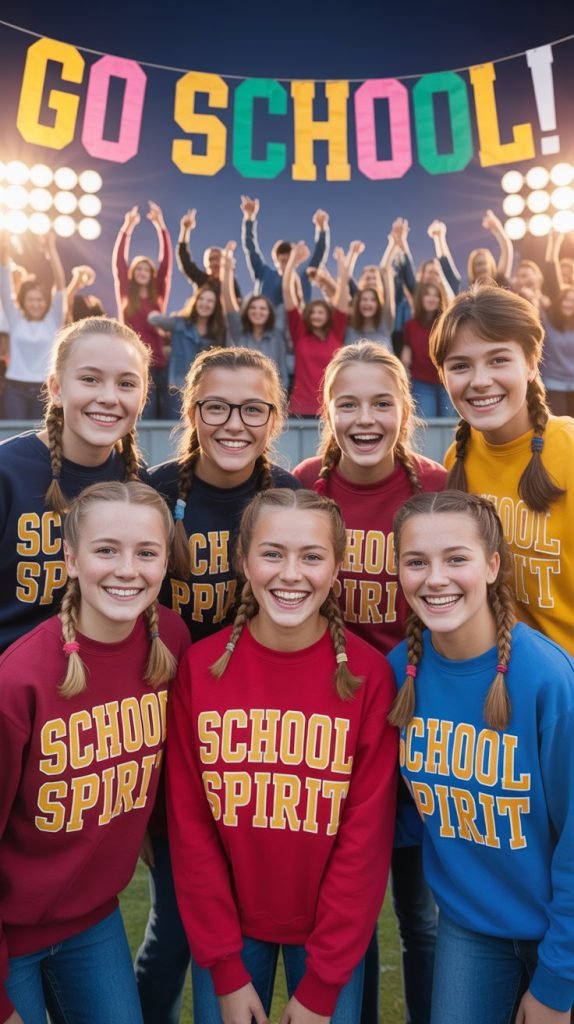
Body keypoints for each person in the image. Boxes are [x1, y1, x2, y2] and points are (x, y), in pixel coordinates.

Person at [166, 487, 399, 1024]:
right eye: (272, 553)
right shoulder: (199, 671)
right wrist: (224, 966)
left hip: (328, 945)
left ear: (337, 567)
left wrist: (323, 985)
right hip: (227, 937)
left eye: (312, 557)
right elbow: (191, 827)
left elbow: (363, 844)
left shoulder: (366, 679)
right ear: (243, 560)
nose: (291, 574)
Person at [137, 348, 300, 1024]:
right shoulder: (154, 490)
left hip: (254, 739)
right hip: (168, 736)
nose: (235, 423)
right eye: (216, 407)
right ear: (192, 411)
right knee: (177, 924)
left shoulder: (289, 496)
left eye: (253, 408)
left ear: (275, 417)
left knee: (255, 914)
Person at [294, 341, 446, 1024]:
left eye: (381, 403)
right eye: (347, 403)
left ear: (404, 410)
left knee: (424, 916)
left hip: (419, 726)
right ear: (326, 410)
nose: (365, 417)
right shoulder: (304, 485)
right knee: (342, 915)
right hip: (337, 732)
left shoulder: (437, 486)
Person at [0, 480, 190, 1024]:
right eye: (106, 550)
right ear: (71, 560)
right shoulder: (22, 679)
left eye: (146, 552)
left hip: (93, 921)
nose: (127, 569)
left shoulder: (170, 642)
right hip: (10, 932)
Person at [387, 489, 574, 1024]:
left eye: (456, 559)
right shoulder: (399, 674)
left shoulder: (547, 680)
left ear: (492, 566)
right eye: (416, 562)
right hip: (469, 929)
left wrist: (558, 983)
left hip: (559, 932)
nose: (435, 578)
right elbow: (400, 809)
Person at [430, 283, 574, 655]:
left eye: (498, 360)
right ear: (444, 377)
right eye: (461, 366)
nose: (480, 380)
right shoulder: (457, 458)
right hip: (506, 681)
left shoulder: (568, 449)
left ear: (530, 362)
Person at [0, 316, 150, 654]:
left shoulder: (140, 484)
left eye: (126, 384)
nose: (109, 397)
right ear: (56, 388)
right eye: (90, 379)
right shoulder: (7, 472)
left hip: (101, 692)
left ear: (142, 398)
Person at [113, 202, 173, 419]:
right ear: (132, 273)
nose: (142, 272)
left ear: (151, 274)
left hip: (159, 365)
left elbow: (166, 263)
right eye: (138, 268)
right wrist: (127, 229)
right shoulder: (127, 294)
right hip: (134, 363)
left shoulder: (158, 294)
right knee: (142, 416)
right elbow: (119, 262)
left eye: (146, 269)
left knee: (165, 417)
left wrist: (161, 226)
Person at [0, 229, 66, 420]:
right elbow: (5, 282)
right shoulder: (15, 318)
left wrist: (51, 249)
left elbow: (60, 285)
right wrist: (4, 248)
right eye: (31, 299)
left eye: (39, 300)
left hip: (44, 389)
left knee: (42, 439)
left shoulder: (53, 320)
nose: (36, 304)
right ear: (23, 301)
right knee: (15, 439)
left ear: (46, 301)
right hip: (15, 388)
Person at [283, 242, 351, 416]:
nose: (316, 316)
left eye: (321, 312)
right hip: (300, 410)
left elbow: (343, 294)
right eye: (312, 312)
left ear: (329, 316)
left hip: (331, 409)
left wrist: (342, 265)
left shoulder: (336, 332)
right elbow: (287, 291)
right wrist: (293, 261)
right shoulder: (300, 334)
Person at [148, 284, 226, 417]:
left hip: (205, 389)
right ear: (195, 302)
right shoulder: (180, 323)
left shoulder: (218, 333)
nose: (205, 304)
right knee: (174, 427)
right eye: (201, 299)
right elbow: (153, 319)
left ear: (215, 306)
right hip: (177, 388)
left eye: (210, 301)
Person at [220, 242, 288, 390]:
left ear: (270, 313)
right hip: (239, 391)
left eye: (262, 309)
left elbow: (282, 373)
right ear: (246, 311)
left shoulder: (276, 336)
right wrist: (226, 269)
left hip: (269, 394)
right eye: (253, 308)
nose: (258, 312)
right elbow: (228, 300)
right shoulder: (239, 332)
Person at [240, 196, 330, 307]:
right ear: (276, 258)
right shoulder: (264, 273)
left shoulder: (304, 276)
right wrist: (249, 218)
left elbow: (319, 253)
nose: (285, 258)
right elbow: (250, 247)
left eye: (289, 255)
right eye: (281, 255)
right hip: (268, 322)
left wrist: (321, 229)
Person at [401, 283, 454, 419]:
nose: (431, 298)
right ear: (420, 299)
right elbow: (407, 349)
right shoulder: (410, 325)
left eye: (435, 296)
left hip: (446, 382)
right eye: (427, 295)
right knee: (427, 425)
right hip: (422, 383)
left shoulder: (447, 324)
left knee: (449, 426)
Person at [176, 208, 241, 299]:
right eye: (210, 259)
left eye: (217, 258)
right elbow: (184, 259)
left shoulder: (231, 282)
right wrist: (185, 230)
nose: (214, 263)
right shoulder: (202, 279)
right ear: (205, 263)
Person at [539, 287, 574, 417]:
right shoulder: (547, 321)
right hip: (553, 384)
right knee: (559, 424)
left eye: (572, 301)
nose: (569, 304)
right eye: (565, 300)